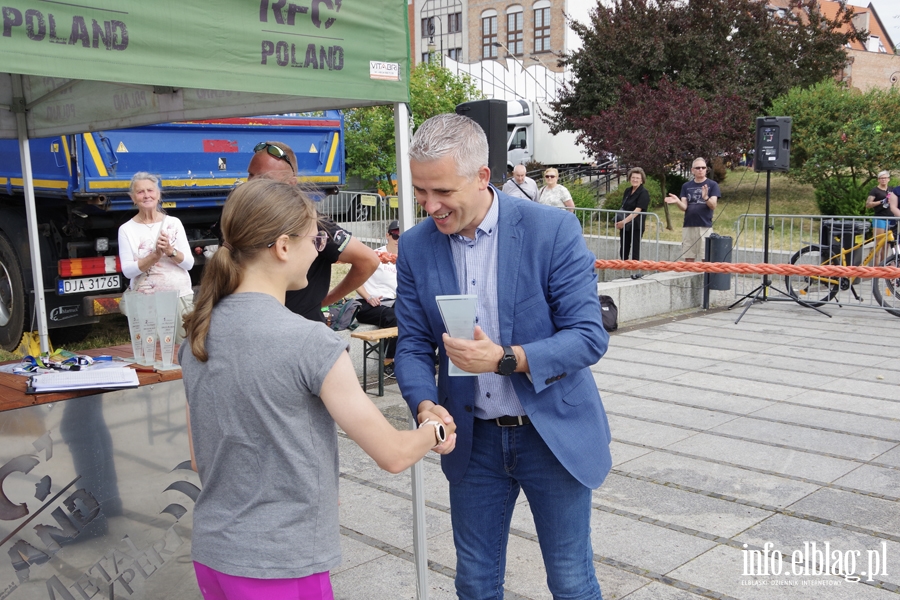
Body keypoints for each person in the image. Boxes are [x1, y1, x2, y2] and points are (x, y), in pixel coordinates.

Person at [180, 178, 456, 600]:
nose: (319, 249)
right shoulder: (310, 342)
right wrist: (434, 430)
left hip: (215, 553)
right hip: (280, 560)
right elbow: (394, 454)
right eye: (316, 238)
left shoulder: (200, 332)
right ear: (283, 246)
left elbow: (203, 459)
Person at [395, 113, 611, 600]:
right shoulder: (415, 246)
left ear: (482, 177)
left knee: (571, 579)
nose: (430, 206)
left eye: (442, 191)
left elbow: (588, 337)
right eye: (420, 191)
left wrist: (504, 359)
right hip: (472, 442)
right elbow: (411, 344)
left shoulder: (550, 230)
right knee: (474, 582)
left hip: (551, 433)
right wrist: (424, 405)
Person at [247, 141, 379, 322]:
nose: (253, 185)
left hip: (301, 333)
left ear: (291, 184)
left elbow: (368, 260)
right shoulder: (242, 221)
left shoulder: (311, 223)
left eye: (264, 179)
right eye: (250, 175)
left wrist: (325, 300)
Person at [118, 172, 194, 341]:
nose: (146, 195)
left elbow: (189, 263)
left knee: (184, 352)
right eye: (140, 192)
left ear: (158, 194)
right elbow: (128, 271)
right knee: (152, 354)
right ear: (133, 197)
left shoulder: (173, 223)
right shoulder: (126, 229)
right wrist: (154, 257)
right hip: (146, 301)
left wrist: (170, 251)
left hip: (179, 297)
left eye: (150, 190)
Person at [355, 220, 400, 367]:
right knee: (395, 318)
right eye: (395, 235)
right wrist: (368, 297)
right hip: (367, 304)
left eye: (402, 236)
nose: (399, 240)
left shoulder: (406, 259)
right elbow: (355, 281)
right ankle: (388, 360)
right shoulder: (376, 256)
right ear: (388, 235)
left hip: (392, 303)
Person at [664, 157, 720, 261]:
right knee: (688, 258)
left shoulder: (712, 185)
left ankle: (705, 277)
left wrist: (705, 198)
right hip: (688, 226)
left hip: (704, 226)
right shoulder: (686, 186)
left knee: (705, 258)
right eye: (698, 167)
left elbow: (713, 205)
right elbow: (684, 207)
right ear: (692, 170)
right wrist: (677, 201)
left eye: (703, 167)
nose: (701, 170)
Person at [617, 167, 651, 276]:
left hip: (636, 225)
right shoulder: (627, 191)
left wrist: (624, 221)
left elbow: (638, 210)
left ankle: (635, 272)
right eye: (633, 177)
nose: (635, 180)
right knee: (624, 247)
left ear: (642, 180)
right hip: (625, 225)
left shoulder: (644, 192)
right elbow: (623, 207)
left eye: (637, 178)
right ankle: (625, 271)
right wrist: (619, 220)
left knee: (635, 248)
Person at [867, 171, 900, 264]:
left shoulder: (892, 189)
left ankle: (883, 267)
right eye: (881, 178)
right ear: (878, 180)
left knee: (886, 245)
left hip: (891, 219)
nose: (883, 180)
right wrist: (881, 201)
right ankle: (876, 268)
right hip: (880, 218)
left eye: (885, 178)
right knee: (878, 244)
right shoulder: (875, 190)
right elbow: (868, 204)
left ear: (889, 179)